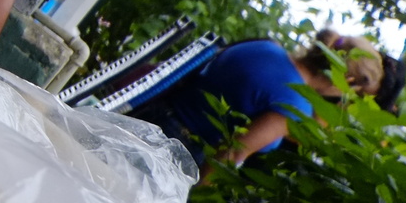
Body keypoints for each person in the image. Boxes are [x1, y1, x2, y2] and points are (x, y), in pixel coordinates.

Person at [128, 36, 385, 167]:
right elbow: (230, 155)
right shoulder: (295, 104)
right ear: (348, 80)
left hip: (147, 113)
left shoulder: (266, 47)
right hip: (171, 152)